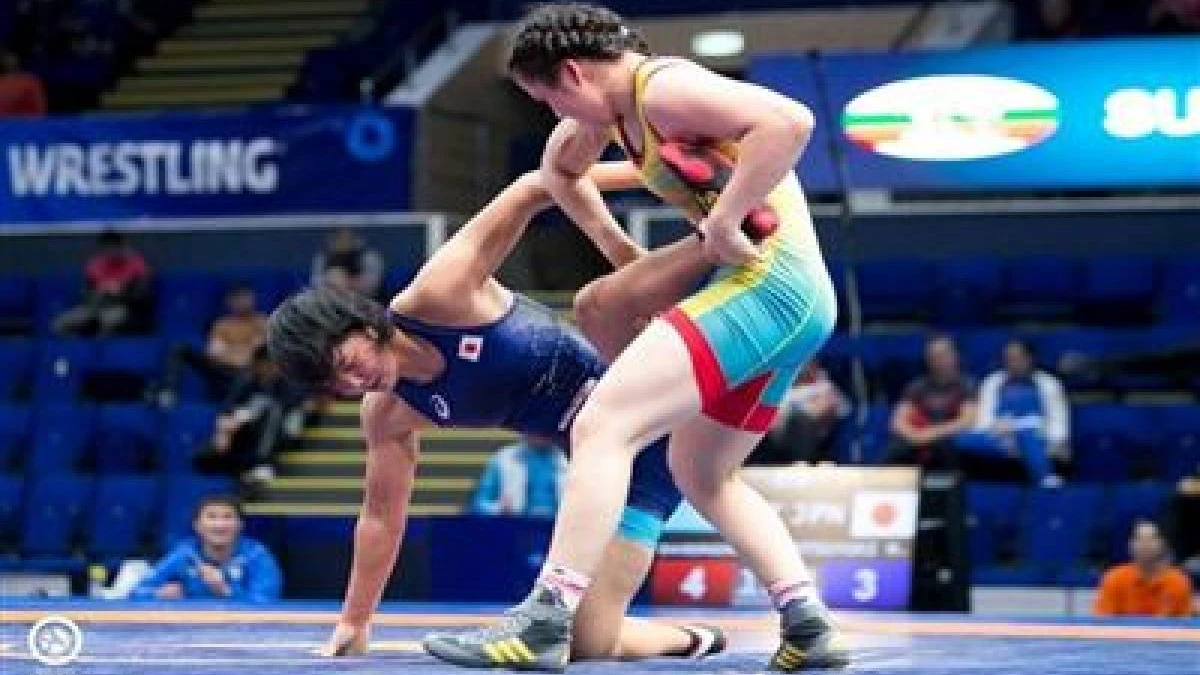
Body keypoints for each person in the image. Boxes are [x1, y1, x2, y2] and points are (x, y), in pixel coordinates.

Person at [425, 5, 847, 671]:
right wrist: (620, 248)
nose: (553, 114)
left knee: (601, 425)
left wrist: (726, 219)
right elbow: (559, 171)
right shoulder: (614, 112)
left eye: (548, 99)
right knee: (700, 473)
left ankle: (544, 620)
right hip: (792, 302)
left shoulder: (662, 88)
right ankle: (808, 622)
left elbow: (790, 122)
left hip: (767, 286)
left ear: (573, 73)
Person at [268, 165, 727, 664]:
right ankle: (693, 639)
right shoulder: (389, 412)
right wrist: (355, 621)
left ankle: (722, 209)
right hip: (617, 471)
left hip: (657, 410)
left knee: (608, 299)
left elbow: (539, 183)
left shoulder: (439, 296)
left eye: (346, 363)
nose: (353, 383)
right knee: (590, 644)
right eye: (335, 384)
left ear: (360, 325)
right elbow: (380, 517)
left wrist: (634, 222)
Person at [955, 340, 1068, 487]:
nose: (1012, 363)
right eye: (1008, 358)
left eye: (1017, 358)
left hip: (1036, 436)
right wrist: (999, 433)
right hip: (999, 438)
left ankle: (1045, 478)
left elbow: (1058, 420)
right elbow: (983, 420)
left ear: (1030, 359)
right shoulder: (992, 381)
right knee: (961, 440)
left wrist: (1054, 441)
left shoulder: (1049, 383)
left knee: (1027, 434)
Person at [130, 494, 282, 602]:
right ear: (197, 525)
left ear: (240, 525)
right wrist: (158, 594)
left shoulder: (256, 555)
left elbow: (265, 602)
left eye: (228, 517)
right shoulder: (185, 553)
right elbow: (137, 592)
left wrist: (225, 591)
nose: (220, 525)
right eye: (212, 517)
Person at [193, 346, 308, 485]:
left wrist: (256, 411)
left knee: (273, 409)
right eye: (263, 365)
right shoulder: (246, 381)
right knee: (227, 425)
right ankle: (217, 453)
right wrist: (229, 423)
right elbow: (229, 405)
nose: (267, 370)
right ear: (256, 365)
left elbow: (292, 404)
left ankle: (263, 463)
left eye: (271, 365)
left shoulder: (289, 382)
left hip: (282, 429)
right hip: (246, 429)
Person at [158, 284, 269, 406]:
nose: (242, 301)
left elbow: (260, 353)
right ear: (229, 301)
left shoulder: (263, 322)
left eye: (245, 297)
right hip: (222, 370)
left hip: (249, 374)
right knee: (179, 348)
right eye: (237, 298)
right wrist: (242, 351)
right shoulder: (221, 324)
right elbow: (215, 353)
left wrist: (234, 350)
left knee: (250, 374)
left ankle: (228, 410)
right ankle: (168, 393)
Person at [884, 334, 977, 471]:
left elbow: (966, 421)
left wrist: (929, 435)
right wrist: (914, 436)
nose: (937, 361)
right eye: (932, 356)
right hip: (917, 440)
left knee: (950, 449)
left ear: (954, 356)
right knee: (895, 449)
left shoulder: (966, 385)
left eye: (941, 355)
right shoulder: (917, 386)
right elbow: (897, 422)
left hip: (947, 441)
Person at [749, 361, 850, 466]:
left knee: (798, 419)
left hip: (813, 436)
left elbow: (831, 409)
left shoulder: (823, 385)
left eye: (807, 364)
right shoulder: (777, 384)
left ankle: (801, 461)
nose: (802, 368)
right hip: (773, 437)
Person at [53, 230, 152, 336]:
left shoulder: (137, 264)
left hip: (123, 307)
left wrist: (121, 292)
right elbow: (84, 293)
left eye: (115, 246)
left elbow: (143, 295)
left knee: (107, 321)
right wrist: (98, 293)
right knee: (60, 324)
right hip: (94, 306)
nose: (112, 250)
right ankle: (73, 345)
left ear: (122, 246)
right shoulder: (94, 265)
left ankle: (101, 345)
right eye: (108, 247)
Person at [1094, 521, 1195, 618]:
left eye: (1151, 539)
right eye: (1139, 539)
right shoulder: (1114, 579)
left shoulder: (1178, 582)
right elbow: (1102, 623)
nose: (1145, 545)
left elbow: (1186, 625)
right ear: (1130, 545)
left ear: (1162, 544)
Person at [471, 435, 567, 517]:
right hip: (516, 526)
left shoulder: (568, 458)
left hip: (561, 526)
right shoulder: (503, 459)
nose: (539, 432)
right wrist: (498, 508)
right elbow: (478, 505)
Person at [312, 227, 385, 299]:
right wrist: (334, 284)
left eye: (346, 237)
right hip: (333, 297)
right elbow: (316, 281)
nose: (343, 241)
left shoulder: (368, 255)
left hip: (365, 297)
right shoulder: (323, 256)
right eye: (339, 238)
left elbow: (375, 282)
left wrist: (350, 283)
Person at [0, 48, 47, 117]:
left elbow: (39, 107)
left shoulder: (30, 81)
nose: (9, 61)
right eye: (6, 58)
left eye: (11, 57)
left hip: (26, 121)